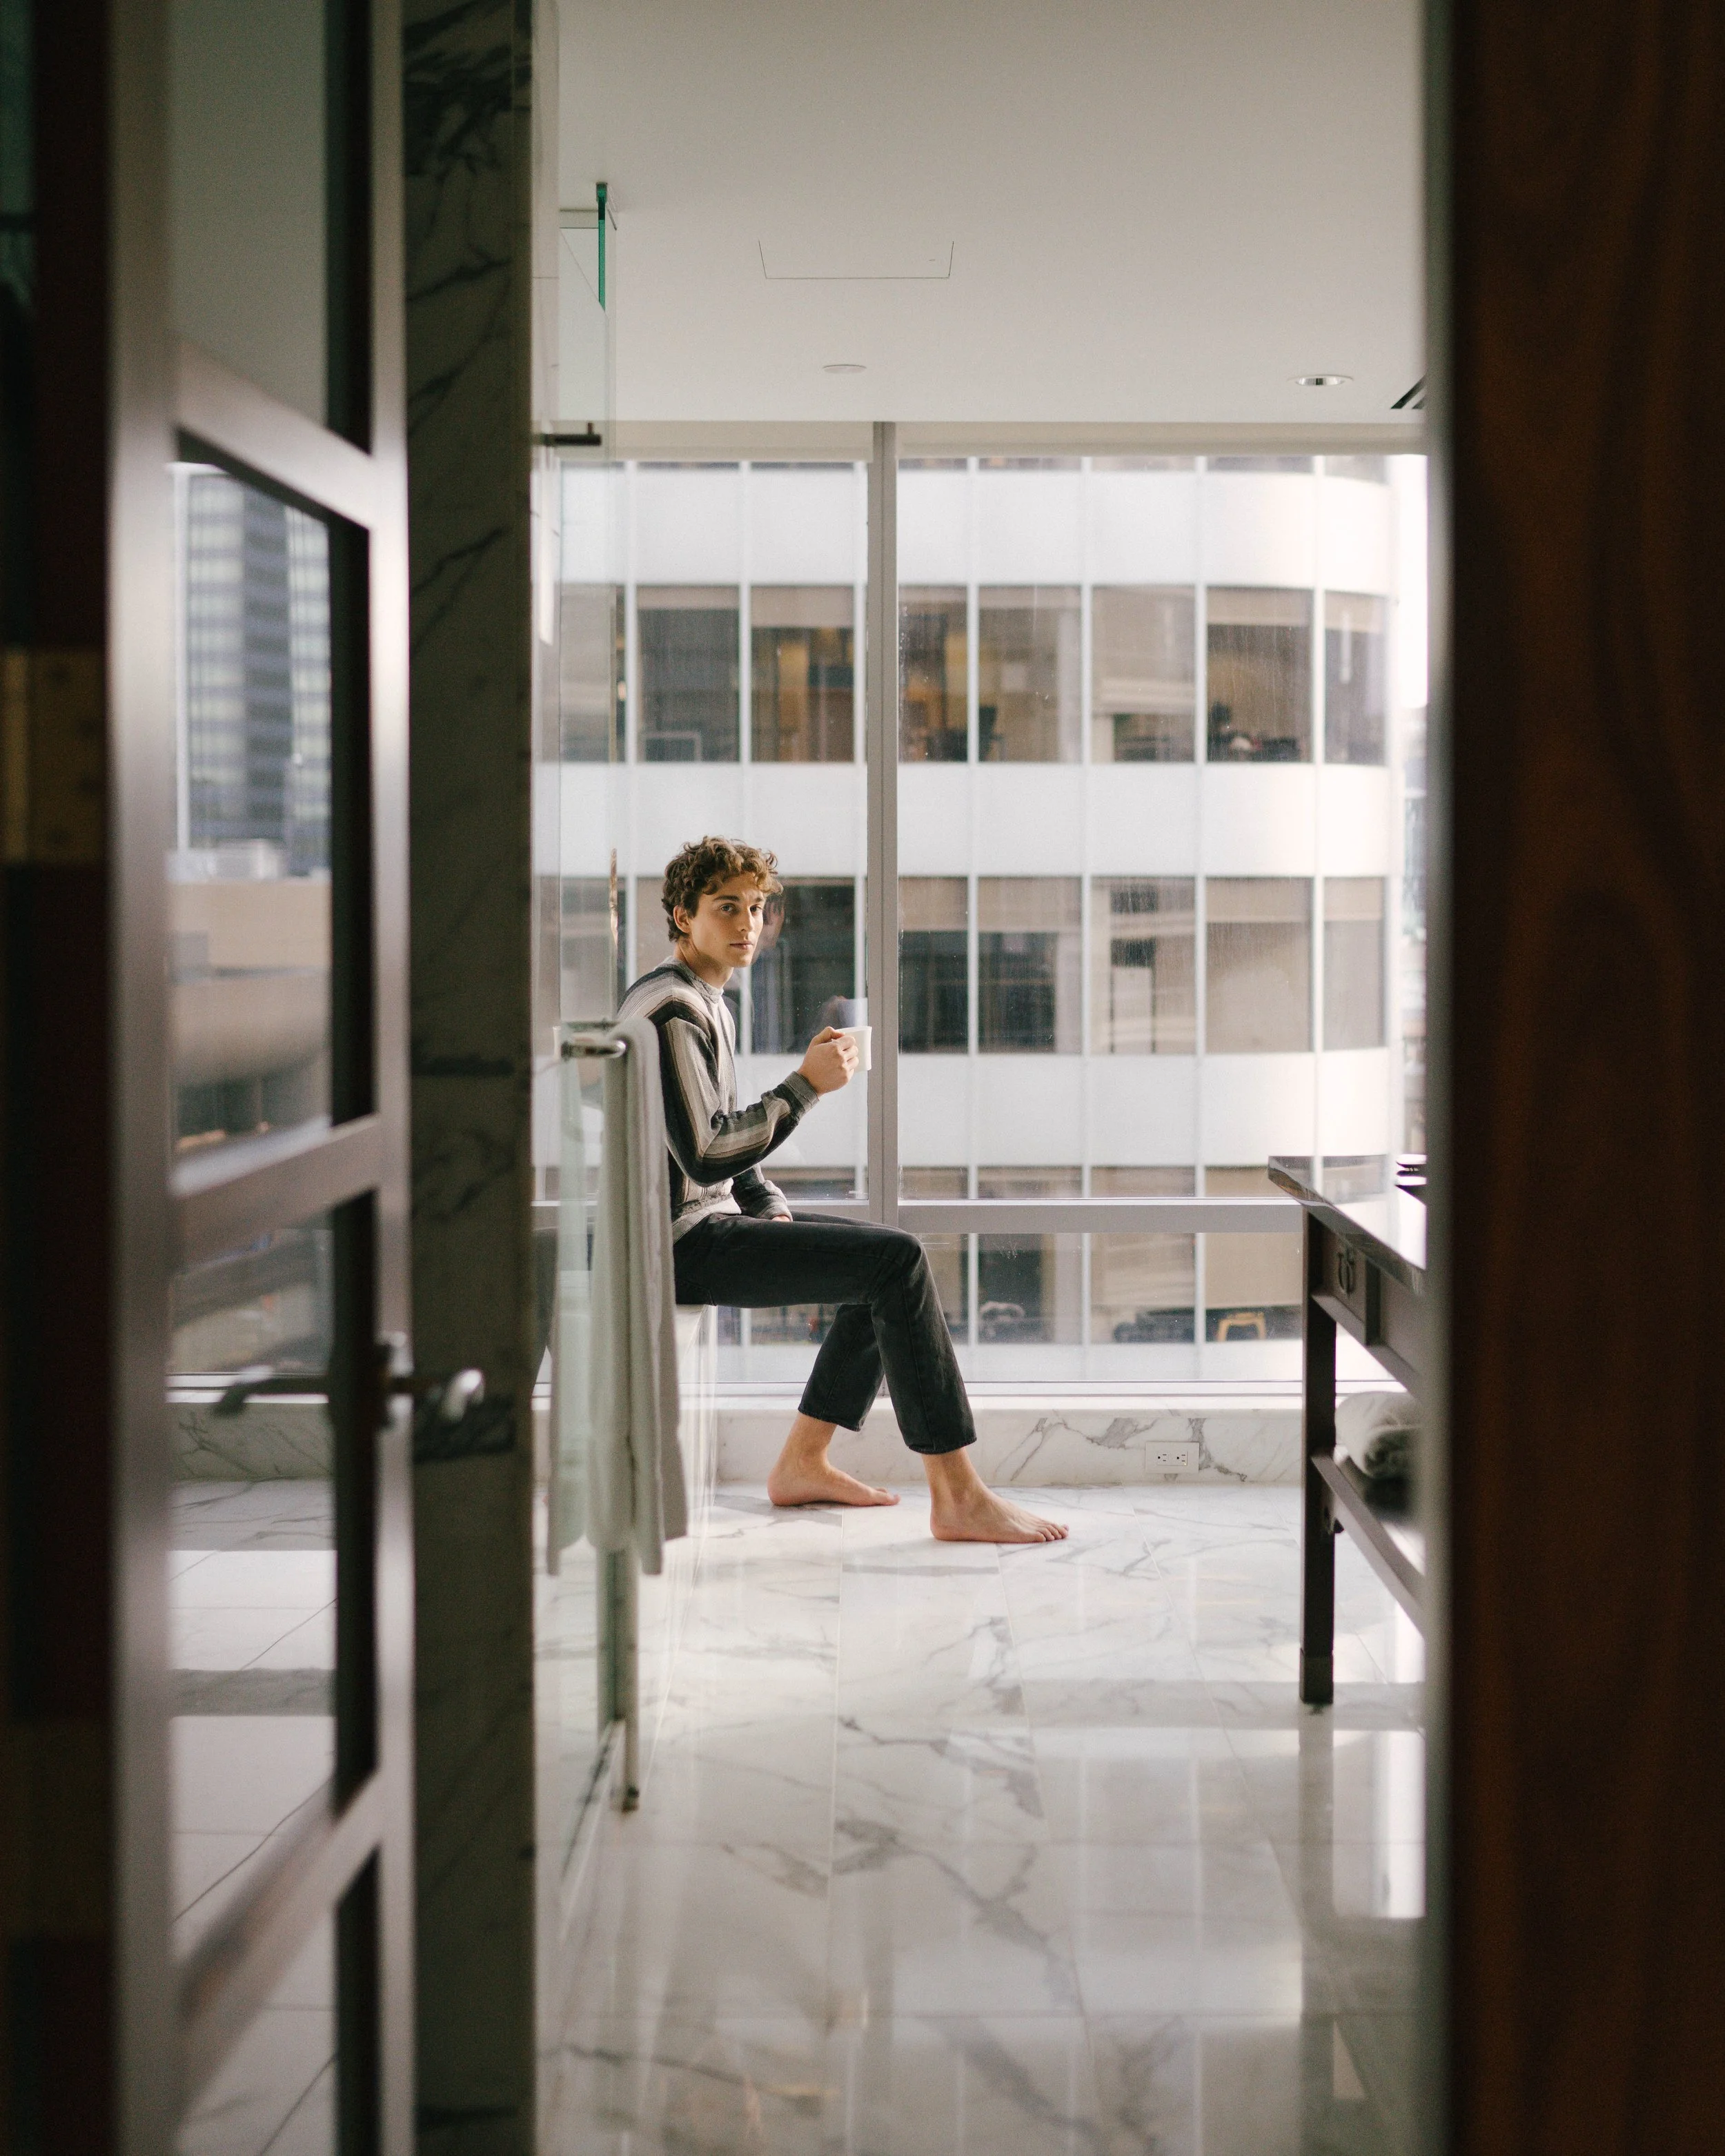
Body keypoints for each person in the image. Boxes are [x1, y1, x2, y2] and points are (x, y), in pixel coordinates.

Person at [619, 835, 1067, 1545]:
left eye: (758, 907)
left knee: (883, 1261)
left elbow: (714, 1135)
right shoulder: (673, 1010)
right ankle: (957, 1495)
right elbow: (706, 1152)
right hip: (681, 1242)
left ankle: (803, 1461)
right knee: (896, 1260)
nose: (747, 924)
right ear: (682, 914)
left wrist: (765, 1203)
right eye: (726, 907)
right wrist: (805, 1086)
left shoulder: (701, 997)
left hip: (701, 1224)